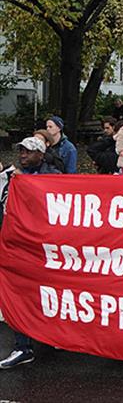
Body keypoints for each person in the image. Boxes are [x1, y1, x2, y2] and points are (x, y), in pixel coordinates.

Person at [0, 137, 62, 370]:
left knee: (48, 295)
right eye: (21, 151)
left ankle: (53, 336)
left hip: (44, 250)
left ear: (41, 155)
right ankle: (23, 347)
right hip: (18, 248)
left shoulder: (53, 177)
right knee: (18, 295)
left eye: (29, 151)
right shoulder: (12, 178)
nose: (23, 155)